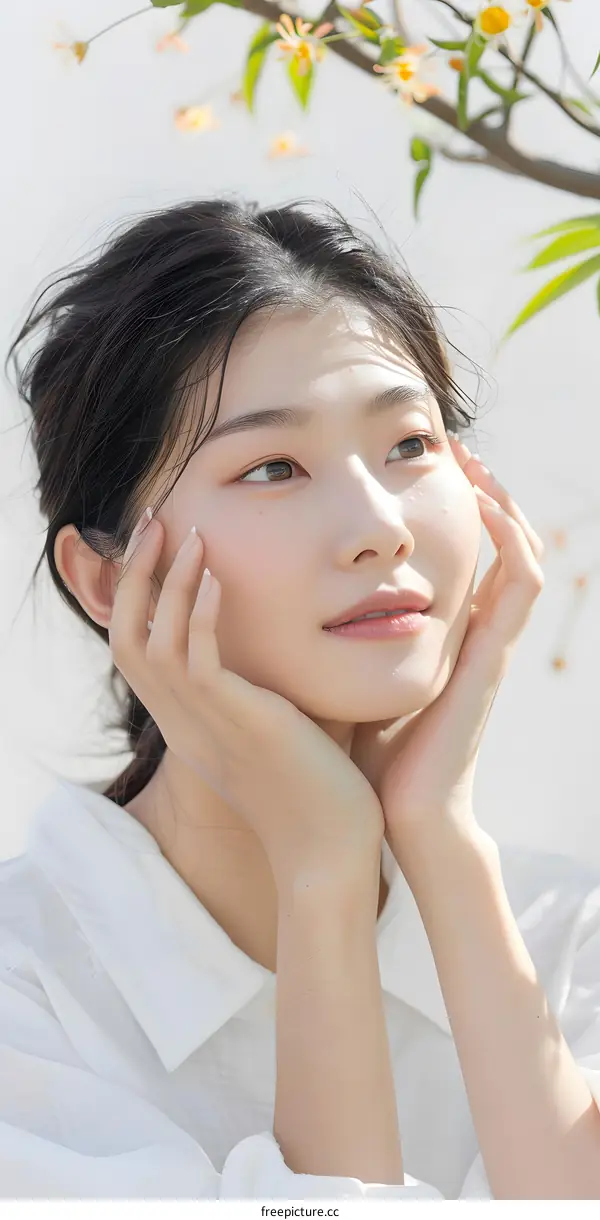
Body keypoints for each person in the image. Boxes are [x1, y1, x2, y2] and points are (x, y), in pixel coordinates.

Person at [2, 197, 600, 1201]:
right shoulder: (30, 997)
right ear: (108, 580)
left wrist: (439, 838)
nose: (380, 527)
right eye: (273, 466)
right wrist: (319, 870)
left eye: (410, 445)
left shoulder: (568, 933)